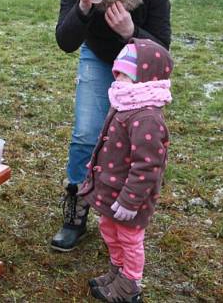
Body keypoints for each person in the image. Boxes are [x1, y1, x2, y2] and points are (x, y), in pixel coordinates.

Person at [52, 0, 171, 252]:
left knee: (131, 142)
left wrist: (131, 32)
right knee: (86, 134)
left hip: (137, 62)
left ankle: (124, 211)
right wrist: (83, 8)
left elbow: (162, 49)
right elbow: (65, 42)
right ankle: (76, 210)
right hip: (97, 55)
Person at [79, 38, 173, 302]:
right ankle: (116, 272)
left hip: (130, 198)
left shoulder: (147, 117)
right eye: (117, 71)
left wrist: (131, 201)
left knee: (129, 239)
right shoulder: (125, 103)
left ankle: (129, 284)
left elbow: (148, 166)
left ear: (146, 77)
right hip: (112, 192)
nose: (118, 77)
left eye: (126, 74)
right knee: (110, 230)